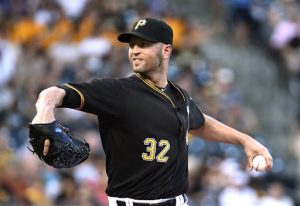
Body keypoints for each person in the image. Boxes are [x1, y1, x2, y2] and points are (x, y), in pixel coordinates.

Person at [31, 17, 273, 206]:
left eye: (144, 45)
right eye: (132, 45)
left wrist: (244, 140)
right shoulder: (118, 92)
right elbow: (53, 93)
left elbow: (198, 122)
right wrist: (44, 113)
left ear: (166, 51)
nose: (134, 50)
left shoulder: (179, 96)